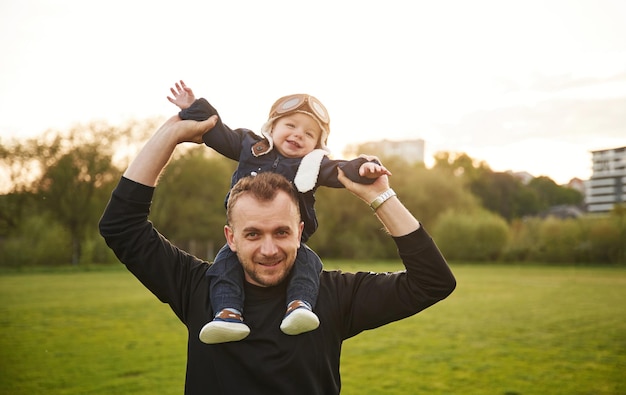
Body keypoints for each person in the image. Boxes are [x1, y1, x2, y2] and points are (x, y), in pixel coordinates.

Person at [98, 115, 456, 394]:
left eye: (281, 232)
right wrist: (171, 134)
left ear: (300, 232)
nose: (269, 249)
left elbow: (432, 282)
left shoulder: (332, 295)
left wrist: (379, 196)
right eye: (253, 234)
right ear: (231, 237)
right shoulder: (197, 287)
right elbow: (121, 226)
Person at [166, 81, 392, 344]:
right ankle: (227, 315)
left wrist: (366, 166)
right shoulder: (250, 146)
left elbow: (342, 169)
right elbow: (218, 132)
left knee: (307, 263)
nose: (298, 135)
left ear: (318, 145)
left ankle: (299, 306)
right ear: (271, 127)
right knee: (224, 264)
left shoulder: (313, 165)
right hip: (248, 231)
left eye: (309, 134)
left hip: (292, 238)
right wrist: (194, 107)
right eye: (291, 126)